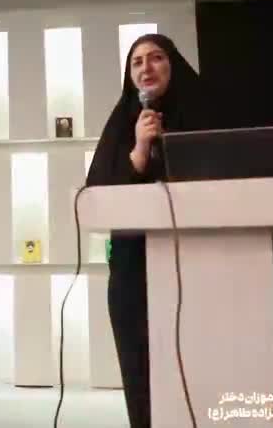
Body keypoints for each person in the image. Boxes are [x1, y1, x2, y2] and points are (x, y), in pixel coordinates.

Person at [85, 33, 211, 428]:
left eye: (155, 58)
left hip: (202, 264)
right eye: (136, 62)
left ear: (173, 65)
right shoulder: (122, 123)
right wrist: (139, 151)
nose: (146, 68)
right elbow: (97, 194)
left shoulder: (205, 114)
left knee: (200, 370)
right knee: (141, 375)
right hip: (133, 269)